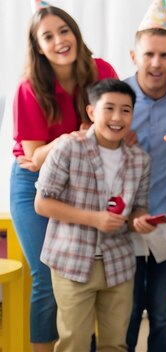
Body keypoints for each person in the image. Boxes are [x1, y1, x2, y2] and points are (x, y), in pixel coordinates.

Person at [10, 4, 117, 351]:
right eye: (48, 36)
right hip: (35, 183)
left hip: (83, 180)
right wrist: (70, 138)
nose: (59, 41)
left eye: (64, 31)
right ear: (38, 47)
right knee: (47, 272)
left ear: (75, 32)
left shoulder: (101, 71)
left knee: (82, 272)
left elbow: (118, 128)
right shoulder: (30, 89)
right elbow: (35, 157)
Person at [33, 79, 154, 351]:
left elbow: (139, 208)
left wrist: (139, 221)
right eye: (108, 108)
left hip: (119, 263)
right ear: (91, 112)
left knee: (115, 344)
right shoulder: (68, 148)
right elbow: (42, 203)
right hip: (71, 261)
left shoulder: (140, 160)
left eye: (125, 110)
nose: (117, 117)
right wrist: (95, 218)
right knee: (73, 343)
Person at [123, 2, 166, 351]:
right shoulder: (117, 99)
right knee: (128, 312)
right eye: (149, 54)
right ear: (134, 55)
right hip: (123, 225)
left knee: (163, 311)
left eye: (164, 56)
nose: (156, 63)